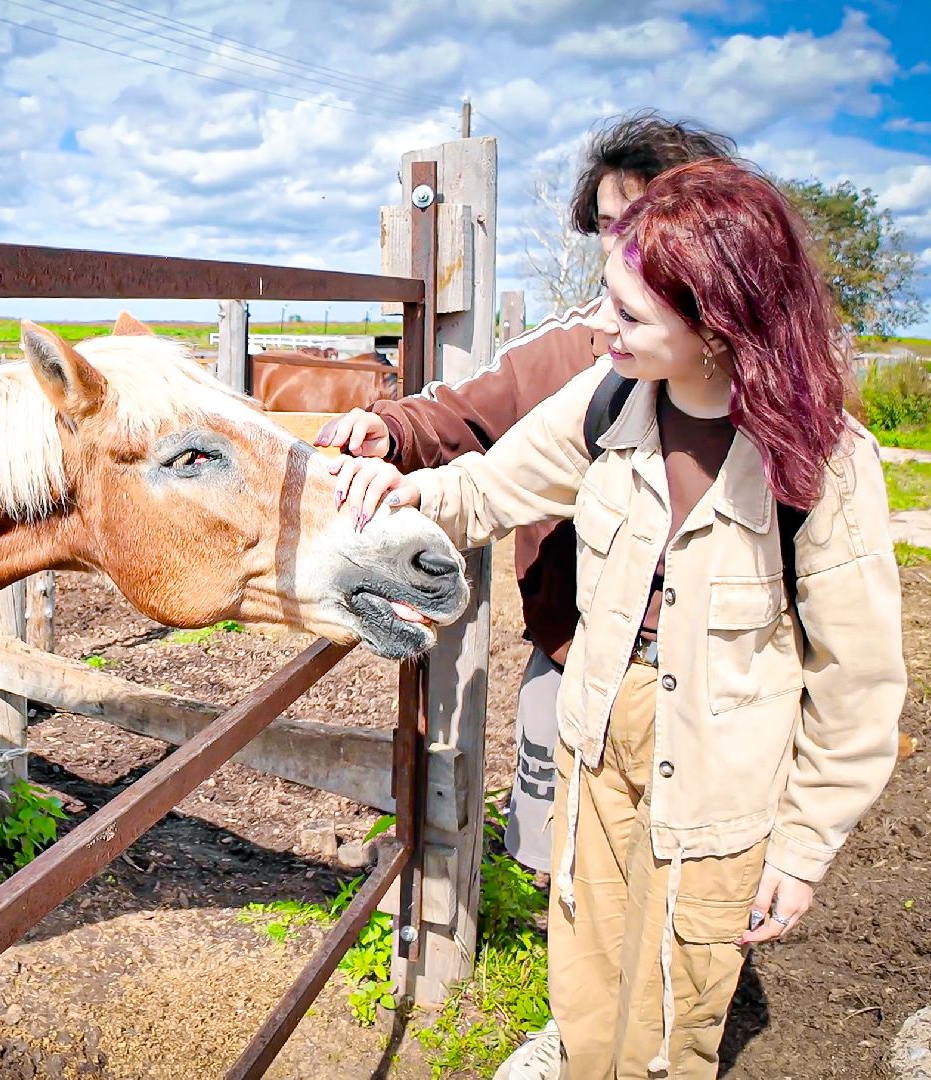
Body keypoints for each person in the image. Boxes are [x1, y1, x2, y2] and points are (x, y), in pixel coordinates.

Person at [330, 159, 906, 1079]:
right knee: (587, 979)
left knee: (673, 1011)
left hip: (719, 777)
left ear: (717, 324)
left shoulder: (823, 463)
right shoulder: (608, 400)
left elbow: (859, 684)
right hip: (597, 744)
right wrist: (403, 491)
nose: (602, 326)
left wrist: (801, 851)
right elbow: (490, 487)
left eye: (630, 315)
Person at [316, 114, 739, 905]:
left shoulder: (777, 397)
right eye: (609, 227)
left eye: (645, 221)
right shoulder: (584, 358)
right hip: (580, 648)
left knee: (695, 885)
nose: (621, 251)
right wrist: (392, 432)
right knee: (567, 865)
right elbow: (481, 433)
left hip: (721, 680)